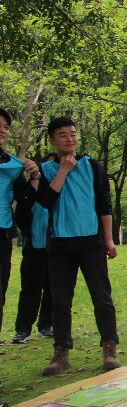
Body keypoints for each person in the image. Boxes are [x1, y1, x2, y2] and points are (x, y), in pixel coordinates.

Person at [34, 117, 120, 375]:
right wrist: (62, 171)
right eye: (63, 135)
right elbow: (46, 201)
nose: (70, 139)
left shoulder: (91, 166)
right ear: (52, 140)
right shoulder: (45, 169)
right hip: (60, 244)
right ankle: (61, 353)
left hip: (91, 242)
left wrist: (108, 238)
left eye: (73, 134)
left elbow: (104, 203)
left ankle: (109, 347)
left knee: (102, 297)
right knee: (60, 301)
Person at [11, 153, 58, 344]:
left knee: (53, 289)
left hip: (55, 245)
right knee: (30, 288)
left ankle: (46, 325)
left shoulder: (60, 190)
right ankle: (23, 329)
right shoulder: (31, 189)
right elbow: (21, 213)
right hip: (33, 245)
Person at [0, 108, 38, 338]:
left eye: (5, 127)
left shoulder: (11, 164)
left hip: (2, 235)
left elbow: (26, 200)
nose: (3, 130)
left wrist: (34, 177)